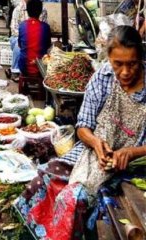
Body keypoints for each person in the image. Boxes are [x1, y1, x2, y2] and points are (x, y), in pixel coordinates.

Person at [15, 25, 146, 240]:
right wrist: (96, 144)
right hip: (94, 152)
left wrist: (132, 152)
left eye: (132, 64)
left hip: (134, 165)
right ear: (109, 59)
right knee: (45, 176)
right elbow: (83, 126)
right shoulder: (103, 78)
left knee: (76, 199)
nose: (125, 72)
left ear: (141, 59)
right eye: (118, 64)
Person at [6, 0, 48, 82]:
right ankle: (15, 71)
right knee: (18, 45)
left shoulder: (42, 10)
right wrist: (26, 35)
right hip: (19, 37)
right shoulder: (18, 10)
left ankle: (38, 67)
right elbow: (14, 29)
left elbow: (43, 28)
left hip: (34, 37)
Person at [18, 0, 51, 76]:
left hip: (23, 67)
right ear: (40, 11)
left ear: (27, 11)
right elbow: (48, 46)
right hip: (40, 68)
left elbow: (20, 45)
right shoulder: (45, 27)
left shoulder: (22, 25)